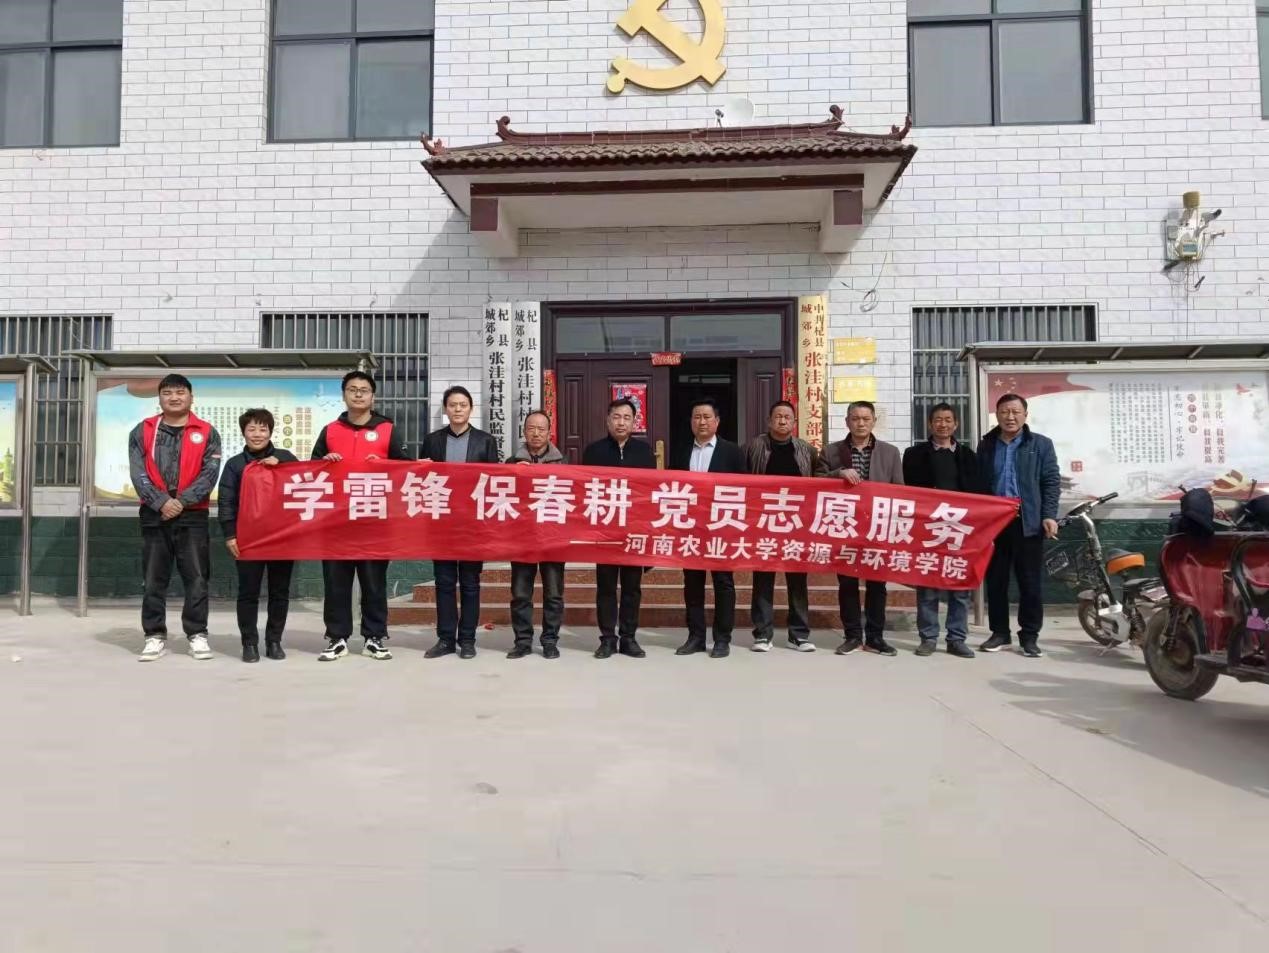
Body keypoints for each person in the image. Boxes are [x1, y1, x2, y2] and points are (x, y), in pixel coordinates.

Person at [312, 370, 413, 662]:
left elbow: (405, 470)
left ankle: (374, 637)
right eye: (352, 389)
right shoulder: (330, 430)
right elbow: (311, 470)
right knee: (336, 583)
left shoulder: (388, 429)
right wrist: (324, 462)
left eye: (364, 390)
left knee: (373, 582)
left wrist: (384, 464)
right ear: (344, 395)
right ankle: (337, 638)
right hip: (336, 521)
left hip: (374, 519)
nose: (358, 394)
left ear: (373, 396)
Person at [128, 373, 223, 662]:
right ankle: (154, 635)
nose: (174, 397)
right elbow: (138, 472)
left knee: (197, 577)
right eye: (167, 392)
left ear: (191, 397)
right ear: (159, 398)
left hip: (192, 515)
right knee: (153, 579)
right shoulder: (143, 430)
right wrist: (161, 502)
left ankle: (197, 634)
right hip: (154, 514)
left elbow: (209, 475)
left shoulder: (207, 432)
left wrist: (181, 502)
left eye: (180, 392)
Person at [976, 393, 1060, 658]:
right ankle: (1000, 632)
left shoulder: (1040, 444)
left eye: (1015, 412)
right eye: (1004, 412)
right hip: (995, 523)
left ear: (1025, 415)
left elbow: (1051, 482)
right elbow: (979, 484)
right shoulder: (987, 444)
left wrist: (1049, 515)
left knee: (1030, 583)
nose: (1010, 417)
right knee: (996, 581)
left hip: (1028, 522)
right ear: (997, 415)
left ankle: (1030, 636)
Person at [420, 385, 501, 660]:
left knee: (470, 583)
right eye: (452, 405)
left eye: (462, 405)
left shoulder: (485, 441)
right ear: (445, 408)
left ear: (470, 409)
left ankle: (467, 639)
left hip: (472, 524)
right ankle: (445, 639)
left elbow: (493, 483)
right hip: (441, 522)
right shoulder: (432, 440)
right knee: (444, 583)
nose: (457, 409)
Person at [744, 401, 828, 652]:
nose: (782, 421)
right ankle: (762, 634)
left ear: (794, 422)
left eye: (787, 417)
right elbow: (740, 479)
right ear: (769, 421)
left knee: (797, 579)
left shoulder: (806, 450)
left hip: (797, 524)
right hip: (763, 522)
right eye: (778, 416)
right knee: (763, 578)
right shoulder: (753, 447)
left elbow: (820, 480)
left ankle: (799, 634)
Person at [824, 400, 904, 657]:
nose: (860, 423)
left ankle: (875, 637)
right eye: (855, 418)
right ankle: (852, 636)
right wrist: (838, 473)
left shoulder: (890, 452)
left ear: (873, 422)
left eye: (866, 419)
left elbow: (899, 490)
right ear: (847, 421)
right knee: (847, 583)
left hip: (878, 527)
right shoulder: (832, 451)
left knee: (877, 584)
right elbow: (815, 480)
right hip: (844, 525)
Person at [217, 408, 298, 663]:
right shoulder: (235, 465)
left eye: (263, 429)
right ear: (243, 432)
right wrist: (230, 535)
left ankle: (274, 641)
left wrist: (281, 465)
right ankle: (249, 643)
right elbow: (226, 501)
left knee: (279, 592)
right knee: (248, 592)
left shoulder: (286, 457)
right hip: (248, 538)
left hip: (282, 537)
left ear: (270, 432)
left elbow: (305, 483)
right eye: (251, 429)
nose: (257, 434)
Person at [903, 402, 982, 659]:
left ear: (956, 424)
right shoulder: (914, 454)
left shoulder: (968, 456)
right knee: (927, 586)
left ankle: (956, 638)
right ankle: (928, 637)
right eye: (938, 419)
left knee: (960, 587)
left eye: (948, 420)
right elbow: (908, 491)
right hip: (928, 529)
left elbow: (979, 493)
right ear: (930, 424)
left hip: (961, 529)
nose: (943, 424)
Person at [670, 398, 747, 658]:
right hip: (691, 527)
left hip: (721, 527)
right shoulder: (681, 450)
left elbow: (744, 489)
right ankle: (696, 637)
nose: (701, 422)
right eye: (696, 417)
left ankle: (722, 638)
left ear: (717, 421)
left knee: (723, 583)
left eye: (706, 417)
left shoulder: (732, 452)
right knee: (692, 583)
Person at [582, 398, 656, 658]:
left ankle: (628, 638)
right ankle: (607, 639)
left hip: (634, 531)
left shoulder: (644, 452)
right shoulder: (594, 451)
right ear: (607, 420)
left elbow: (651, 493)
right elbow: (584, 490)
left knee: (632, 588)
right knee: (606, 587)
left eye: (626, 417)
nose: (621, 422)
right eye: (616, 417)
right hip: (605, 531)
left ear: (634, 422)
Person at [506, 411, 566, 660]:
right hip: (522, 538)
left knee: (553, 593)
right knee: (521, 593)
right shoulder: (511, 462)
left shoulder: (564, 464)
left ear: (549, 432)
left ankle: (550, 640)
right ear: (524, 432)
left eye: (542, 429)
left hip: (553, 539)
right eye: (531, 428)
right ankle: (522, 641)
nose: (536, 433)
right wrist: (513, 473)